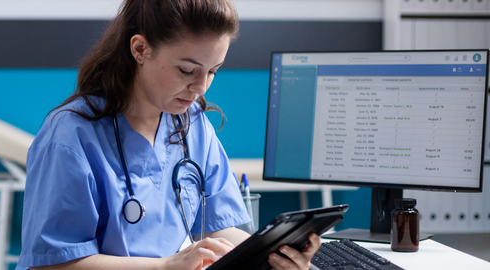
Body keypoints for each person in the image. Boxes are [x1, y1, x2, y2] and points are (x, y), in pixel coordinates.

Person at [17, 1, 320, 270]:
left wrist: (275, 255)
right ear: (140, 49)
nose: (201, 87)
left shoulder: (193, 125)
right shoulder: (70, 136)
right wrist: (165, 266)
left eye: (213, 71)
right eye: (187, 70)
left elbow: (218, 229)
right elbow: (54, 265)